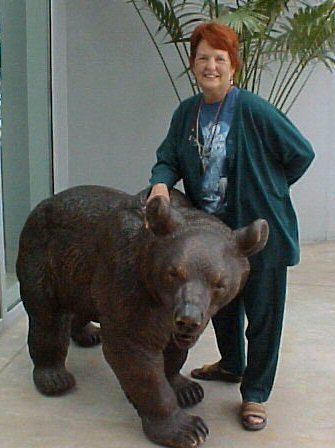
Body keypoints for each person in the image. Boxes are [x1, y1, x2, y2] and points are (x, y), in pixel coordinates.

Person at [146, 21, 315, 431]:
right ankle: (231, 364)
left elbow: (301, 154)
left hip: (258, 237)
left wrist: (271, 188)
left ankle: (255, 393)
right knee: (220, 304)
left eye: (219, 59)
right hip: (212, 236)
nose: (210, 66)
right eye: (203, 58)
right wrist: (160, 184)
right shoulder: (187, 113)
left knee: (262, 314)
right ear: (193, 65)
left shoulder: (253, 110)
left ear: (232, 66)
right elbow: (168, 156)